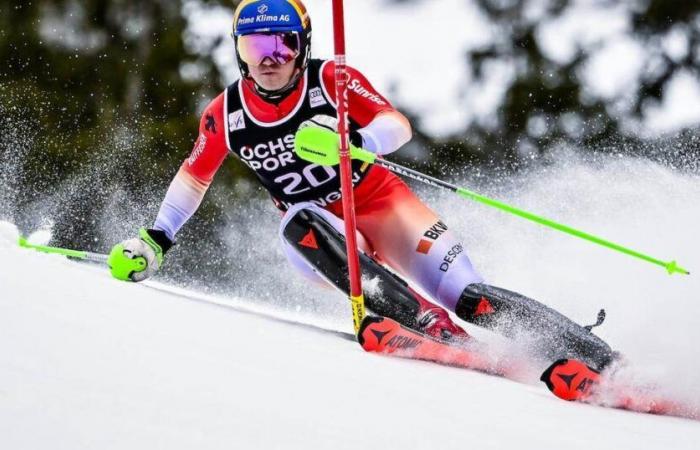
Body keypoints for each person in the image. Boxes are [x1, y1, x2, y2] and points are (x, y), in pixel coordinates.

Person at [109, 0, 613, 370]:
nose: (270, 57)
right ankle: (426, 325)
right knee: (298, 218)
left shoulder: (332, 80)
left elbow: (398, 125)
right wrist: (157, 238)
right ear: (240, 52)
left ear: (302, 46)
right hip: (323, 234)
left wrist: (356, 136)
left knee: (470, 295)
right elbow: (193, 177)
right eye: (255, 45)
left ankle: (594, 355)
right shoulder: (227, 114)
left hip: (379, 200)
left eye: (282, 44)